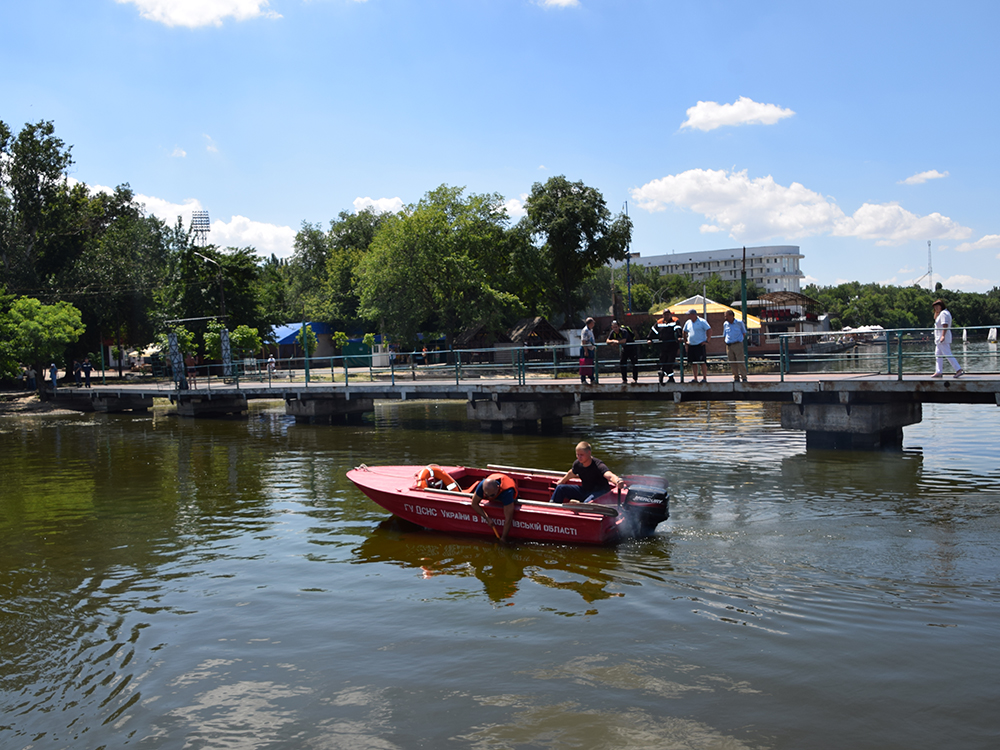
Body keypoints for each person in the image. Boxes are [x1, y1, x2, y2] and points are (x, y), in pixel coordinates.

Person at [550, 441, 626, 504]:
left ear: (589, 453)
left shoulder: (598, 465)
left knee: (587, 502)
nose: (579, 457)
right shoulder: (577, 464)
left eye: (581, 455)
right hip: (585, 490)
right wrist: (562, 481)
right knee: (560, 488)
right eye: (577, 454)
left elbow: (609, 475)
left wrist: (618, 481)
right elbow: (572, 473)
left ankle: (580, 506)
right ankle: (553, 507)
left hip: (600, 492)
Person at [470, 472, 518, 542]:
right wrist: (487, 518)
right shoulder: (483, 486)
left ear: (498, 488)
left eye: (491, 495)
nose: (489, 498)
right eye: (486, 496)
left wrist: (503, 538)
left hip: (506, 490)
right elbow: (474, 504)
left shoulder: (507, 492)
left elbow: (508, 519)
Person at [931, 299, 963, 378]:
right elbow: (935, 320)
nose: (936, 308)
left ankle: (958, 369)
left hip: (942, 338)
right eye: (935, 307)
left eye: (938, 306)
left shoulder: (944, 313)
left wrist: (942, 336)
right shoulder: (941, 313)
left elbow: (945, 325)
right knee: (938, 354)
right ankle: (939, 371)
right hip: (939, 339)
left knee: (947, 354)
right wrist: (936, 312)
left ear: (941, 306)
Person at [648, 310, 681, 385]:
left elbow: (678, 329)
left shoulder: (675, 320)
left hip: (672, 346)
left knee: (669, 362)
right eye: (665, 314)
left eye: (668, 314)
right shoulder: (659, 322)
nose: (666, 316)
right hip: (663, 346)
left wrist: (679, 337)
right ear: (662, 315)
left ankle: (662, 372)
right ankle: (670, 378)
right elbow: (653, 330)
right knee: (663, 362)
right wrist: (649, 339)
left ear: (670, 314)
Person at [682, 309, 712, 383]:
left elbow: (709, 330)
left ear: (693, 314)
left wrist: (707, 340)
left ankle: (704, 378)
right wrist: (686, 341)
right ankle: (695, 378)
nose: (688, 316)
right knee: (693, 362)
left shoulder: (702, 321)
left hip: (700, 345)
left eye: (689, 314)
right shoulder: (688, 322)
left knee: (702, 362)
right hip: (691, 345)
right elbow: (684, 331)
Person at [606, 320, 639, 384]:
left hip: (632, 348)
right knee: (622, 363)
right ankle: (624, 380)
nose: (615, 329)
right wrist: (613, 341)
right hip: (624, 349)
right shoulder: (613, 332)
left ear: (619, 326)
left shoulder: (624, 331)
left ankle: (635, 379)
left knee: (634, 364)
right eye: (613, 327)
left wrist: (616, 342)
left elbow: (624, 341)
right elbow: (607, 340)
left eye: (616, 327)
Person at [723, 310, 749, 382]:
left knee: (740, 361)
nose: (725, 318)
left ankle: (744, 377)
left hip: (737, 344)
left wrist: (739, 340)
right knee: (732, 362)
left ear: (732, 316)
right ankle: (736, 377)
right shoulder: (725, 324)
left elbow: (744, 332)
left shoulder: (739, 323)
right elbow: (725, 334)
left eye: (727, 316)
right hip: (729, 345)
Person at [579, 317, 596, 384]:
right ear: (590, 323)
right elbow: (584, 341)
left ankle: (591, 378)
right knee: (584, 364)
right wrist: (585, 350)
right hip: (586, 349)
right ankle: (583, 379)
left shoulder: (590, 330)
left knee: (590, 364)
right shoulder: (585, 330)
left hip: (590, 349)